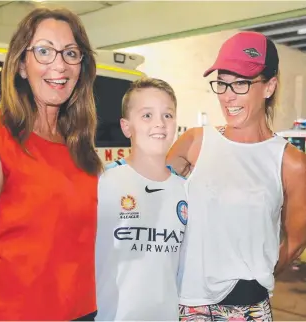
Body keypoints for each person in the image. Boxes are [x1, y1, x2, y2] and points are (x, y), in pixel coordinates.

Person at [167, 31, 306, 321]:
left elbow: (295, 241)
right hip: (185, 302)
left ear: (269, 87)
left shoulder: (291, 163)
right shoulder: (194, 144)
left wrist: (257, 274)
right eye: (222, 82)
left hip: (247, 308)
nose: (228, 95)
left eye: (241, 83)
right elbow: (156, 205)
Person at [0, 7, 102, 321]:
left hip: (81, 312)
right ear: (21, 65)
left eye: (70, 53)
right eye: (44, 51)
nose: (59, 65)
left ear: (81, 66)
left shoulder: (79, 143)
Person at [95, 78, 188, 321]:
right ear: (126, 127)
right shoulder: (102, 182)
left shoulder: (186, 191)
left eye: (167, 115)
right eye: (147, 115)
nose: (159, 123)